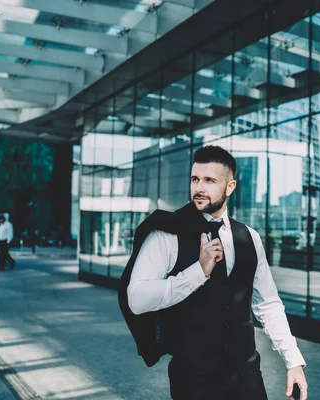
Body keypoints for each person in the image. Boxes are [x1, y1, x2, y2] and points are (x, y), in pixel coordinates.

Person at [121, 146, 307, 400]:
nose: (199, 188)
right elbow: (137, 299)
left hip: (247, 375)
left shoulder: (249, 237)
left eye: (210, 180)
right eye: (195, 179)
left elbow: (268, 304)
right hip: (194, 380)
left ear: (230, 187)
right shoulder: (165, 233)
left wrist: (293, 360)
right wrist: (198, 271)